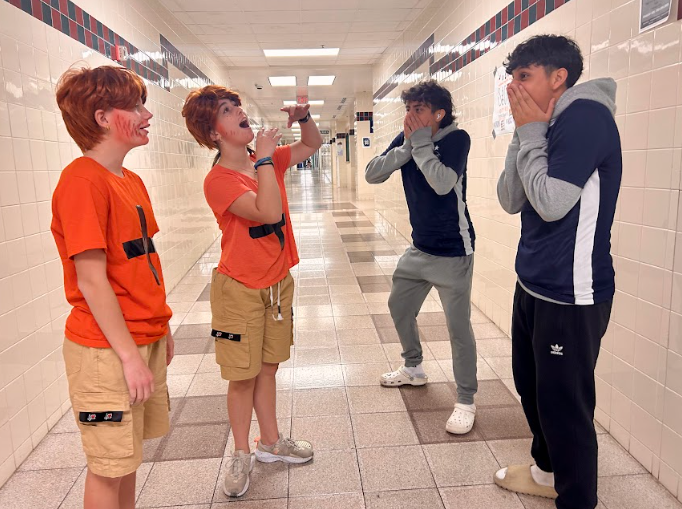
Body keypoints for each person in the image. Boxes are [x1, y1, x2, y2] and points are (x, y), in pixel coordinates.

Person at [494, 35, 621, 509]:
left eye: (524, 77)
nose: (515, 89)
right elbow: (511, 199)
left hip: (572, 293)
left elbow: (550, 203)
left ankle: (576, 499)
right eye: (512, 79)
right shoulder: (545, 123)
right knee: (533, 391)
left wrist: (531, 133)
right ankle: (548, 473)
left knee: (566, 408)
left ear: (558, 77)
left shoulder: (586, 117)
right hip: (534, 283)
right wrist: (523, 131)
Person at [181, 87, 323, 497]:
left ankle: (271, 443)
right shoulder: (218, 181)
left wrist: (304, 117)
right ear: (213, 133)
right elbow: (267, 213)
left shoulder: (268, 161)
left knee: (268, 367)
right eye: (228, 110)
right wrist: (263, 158)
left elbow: (310, 144)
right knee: (242, 376)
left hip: (277, 282)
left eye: (237, 105)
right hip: (240, 287)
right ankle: (242, 453)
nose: (240, 111)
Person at [51, 66, 174, 509]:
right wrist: (127, 357)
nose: (147, 114)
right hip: (106, 351)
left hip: (140, 337)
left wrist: (162, 329)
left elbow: (144, 263)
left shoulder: (129, 180)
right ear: (104, 118)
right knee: (108, 469)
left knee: (127, 459)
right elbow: (91, 278)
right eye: (135, 106)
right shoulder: (82, 181)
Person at [365, 80, 478, 434]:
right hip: (419, 248)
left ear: (438, 114)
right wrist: (407, 147)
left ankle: (465, 399)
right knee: (398, 306)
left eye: (418, 110)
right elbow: (373, 174)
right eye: (408, 109)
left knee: (457, 329)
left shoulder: (457, 139)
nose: (410, 116)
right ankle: (413, 368)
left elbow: (443, 183)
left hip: (453, 251)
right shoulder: (408, 138)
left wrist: (421, 146)